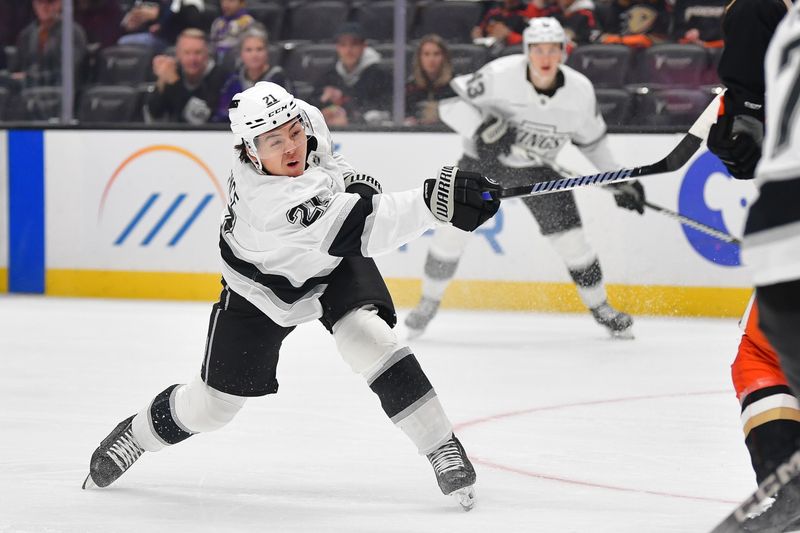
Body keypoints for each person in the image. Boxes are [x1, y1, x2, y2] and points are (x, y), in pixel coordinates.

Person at [81, 81, 501, 510]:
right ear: (249, 151)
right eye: (274, 142)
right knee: (212, 408)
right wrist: (437, 201)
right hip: (261, 289)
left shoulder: (306, 120)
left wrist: (352, 181)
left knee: (369, 338)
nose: (291, 147)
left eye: (294, 133)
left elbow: (333, 166)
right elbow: (365, 226)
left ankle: (440, 445)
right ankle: (138, 435)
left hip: (329, 263)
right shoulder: (269, 201)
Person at [405, 17, 646, 340]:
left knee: (573, 243)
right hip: (481, 163)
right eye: (538, 50)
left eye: (552, 50)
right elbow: (449, 103)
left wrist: (620, 181)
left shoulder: (580, 93)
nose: (545, 57)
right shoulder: (500, 74)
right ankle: (428, 302)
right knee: (451, 234)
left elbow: (595, 146)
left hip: (536, 172)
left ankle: (601, 308)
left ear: (563, 52)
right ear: (526, 51)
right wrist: (482, 131)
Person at [311, 22, 391, 126]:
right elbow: (311, 107)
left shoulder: (380, 76)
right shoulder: (328, 76)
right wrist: (323, 100)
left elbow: (387, 107)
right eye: (343, 44)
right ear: (337, 47)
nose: (348, 50)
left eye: (354, 44)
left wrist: (344, 102)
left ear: (364, 46)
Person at [145, 28, 227, 124]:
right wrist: (161, 83)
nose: (192, 59)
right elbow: (154, 114)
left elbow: (200, 119)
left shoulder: (220, 76)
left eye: (198, 52)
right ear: (178, 55)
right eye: (187, 53)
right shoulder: (173, 71)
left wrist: (174, 83)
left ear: (207, 54)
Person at [214, 25, 291, 121]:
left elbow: (288, 111)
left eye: (259, 49)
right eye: (248, 50)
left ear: (267, 51)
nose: (254, 55)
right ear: (241, 53)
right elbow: (224, 112)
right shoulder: (234, 81)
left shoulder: (278, 78)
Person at [12, 0, 88, 88]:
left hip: (61, 94)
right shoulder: (26, 35)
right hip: (28, 94)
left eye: (50, 2)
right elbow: (15, 71)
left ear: (60, 3)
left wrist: (29, 77)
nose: (44, 7)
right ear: (34, 4)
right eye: (40, 2)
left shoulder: (72, 33)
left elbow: (69, 73)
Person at [405, 34, 457, 126]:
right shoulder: (410, 87)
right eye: (426, 54)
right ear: (419, 58)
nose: (431, 59)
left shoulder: (456, 86)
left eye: (436, 54)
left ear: (444, 57)